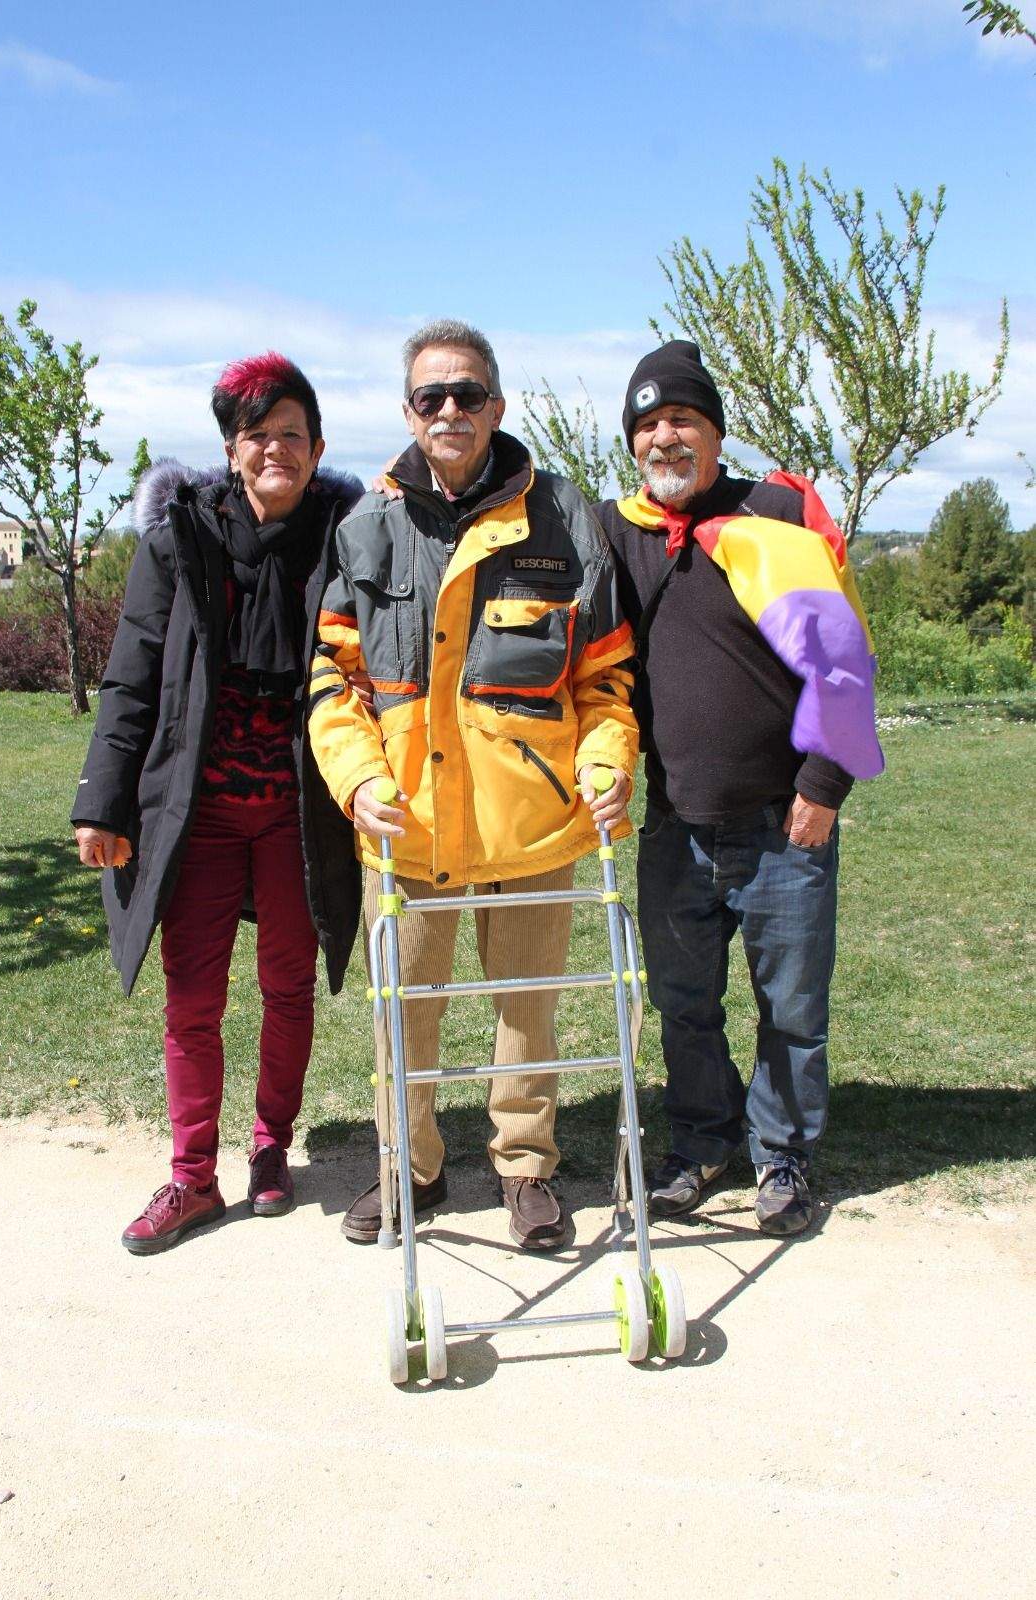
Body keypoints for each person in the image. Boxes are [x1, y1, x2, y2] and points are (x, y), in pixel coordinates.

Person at [307, 318, 639, 1249]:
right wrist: (357, 780)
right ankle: (406, 1169)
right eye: (430, 397)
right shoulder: (366, 527)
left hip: (535, 825)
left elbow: (606, 680)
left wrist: (606, 766)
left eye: (467, 394)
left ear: (497, 404)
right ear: (409, 412)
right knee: (401, 1019)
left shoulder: (568, 519)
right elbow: (335, 680)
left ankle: (525, 1170)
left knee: (528, 1013)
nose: (449, 410)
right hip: (406, 826)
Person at [72, 353, 363, 1254]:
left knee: (288, 988)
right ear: (230, 449)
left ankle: (271, 1149)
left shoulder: (345, 540)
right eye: (256, 434)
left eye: (291, 433)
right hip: (194, 814)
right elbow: (129, 680)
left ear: (316, 447)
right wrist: (102, 803)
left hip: (296, 814)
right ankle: (191, 1178)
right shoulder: (177, 541)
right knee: (191, 1000)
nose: (274, 448)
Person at [596, 341, 882, 1236]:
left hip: (782, 820)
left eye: (681, 418)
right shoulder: (622, 534)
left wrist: (826, 783)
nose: (663, 438)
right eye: (646, 425)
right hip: (674, 826)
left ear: (715, 431)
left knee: (792, 1010)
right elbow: (524, 517)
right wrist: (406, 485)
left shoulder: (777, 516)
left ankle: (784, 1159)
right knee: (684, 1006)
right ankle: (702, 1144)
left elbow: (844, 658)